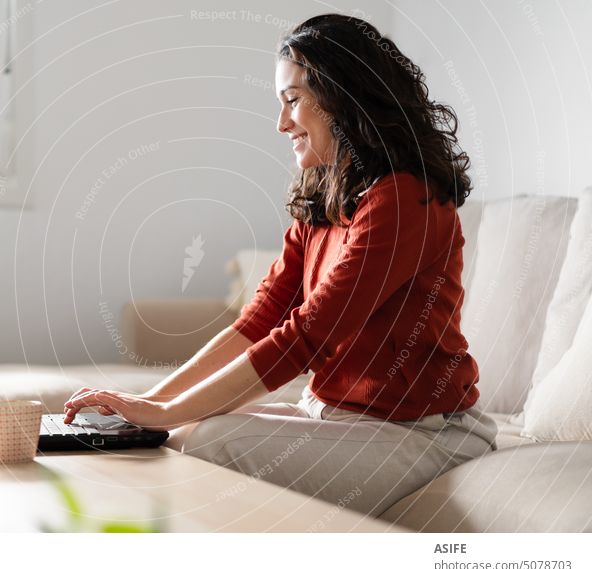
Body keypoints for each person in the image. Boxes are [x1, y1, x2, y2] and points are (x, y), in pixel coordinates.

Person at [63, 13, 498, 518]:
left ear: (342, 98)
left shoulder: (404, 199)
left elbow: (307, 334)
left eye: (293, 100)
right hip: (337, 417)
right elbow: (263, 316)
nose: (281, 122)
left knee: (201, 441)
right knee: (183, 431)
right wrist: (146, 404)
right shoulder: (326, 193)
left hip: (423, 433)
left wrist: (160, 413)